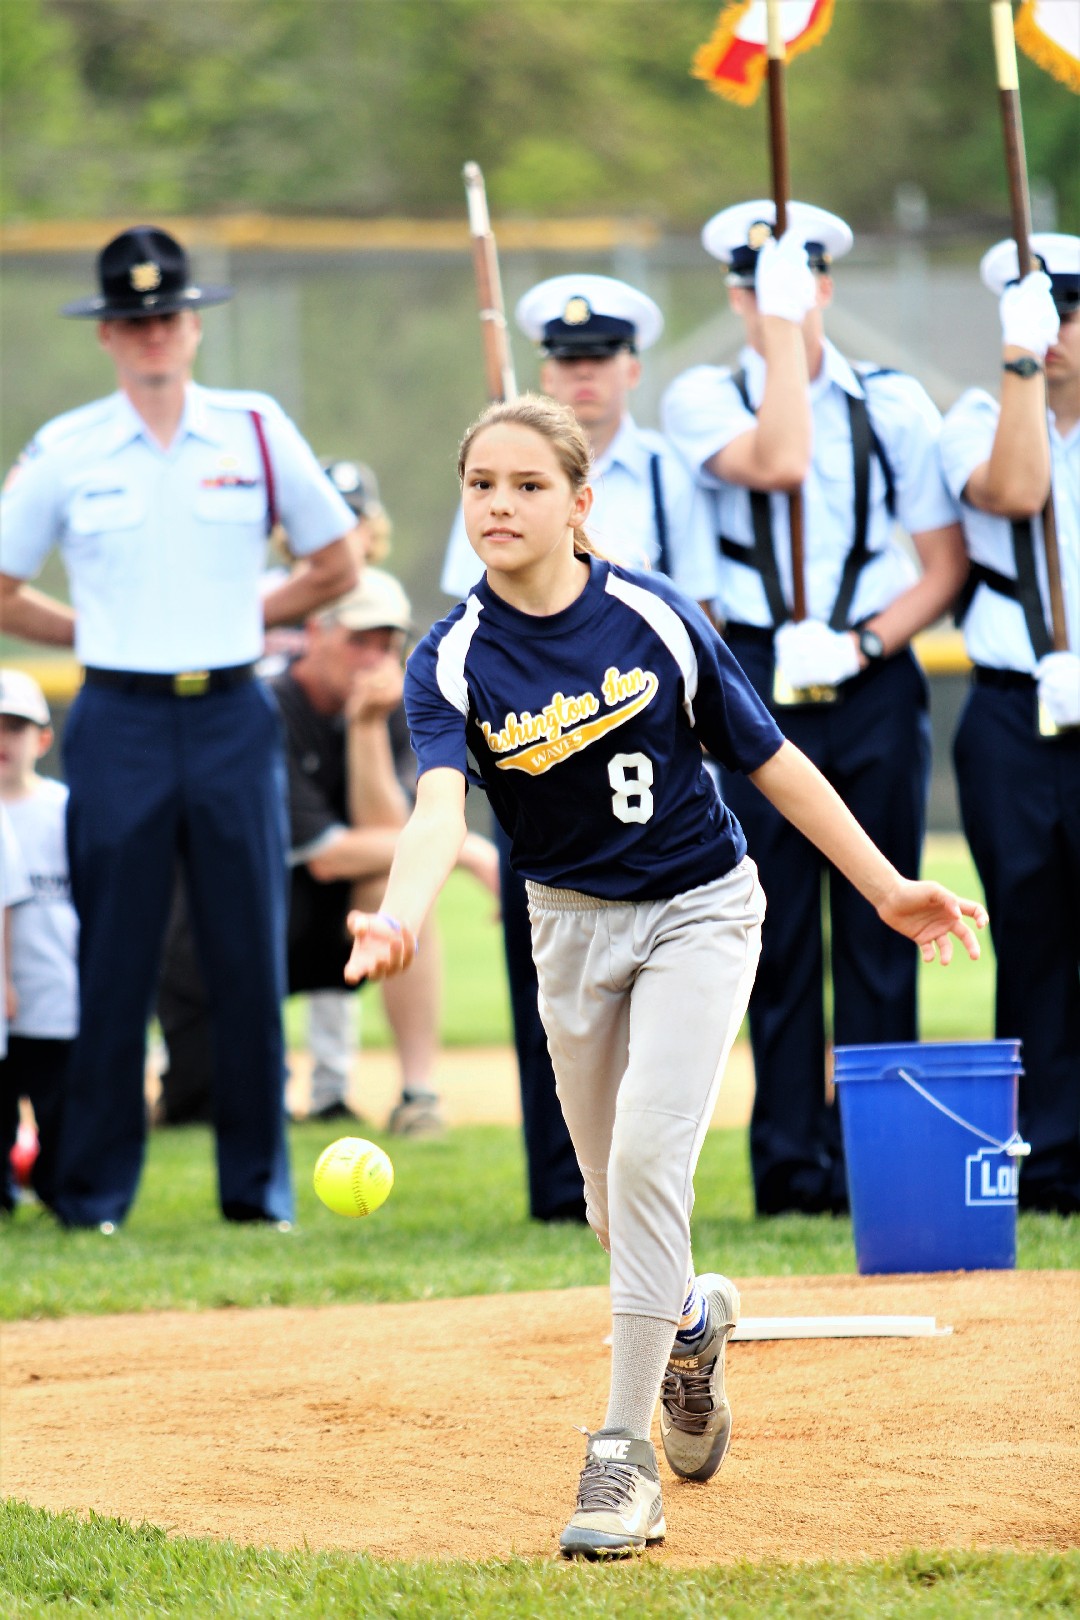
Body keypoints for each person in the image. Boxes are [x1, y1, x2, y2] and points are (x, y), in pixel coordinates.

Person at [343, 394, 986, 1558]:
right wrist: (399, 912)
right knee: (610, 1206)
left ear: (581, 505)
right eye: (481, 482)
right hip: (568, 929)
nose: (499, 502)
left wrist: (888, 886)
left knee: (647, 1157)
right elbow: (442, 802)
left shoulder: (654, 615)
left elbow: (772, 761)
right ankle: (692, 1322)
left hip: (700, 910)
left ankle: (619, 1461)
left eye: (528, 484)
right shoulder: (455, 655)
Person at [0, 225, 358, 1230]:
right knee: (113, 954)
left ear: (193, 326)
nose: (153, 333)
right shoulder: (69, 448)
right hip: (117, 715)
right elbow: (3, 583)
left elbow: (334, 562)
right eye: (133, 320)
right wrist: (93, 630)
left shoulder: (253, 429)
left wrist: (253, 615)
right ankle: (94, 1194)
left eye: (168, 316)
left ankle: (258, 1194)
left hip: (232, 713)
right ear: (107, 335)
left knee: (250, 948)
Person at [662, 201, 969, 1216]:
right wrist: (786, 348)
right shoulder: (703, 399)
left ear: (826, 286)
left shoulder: (892, 404)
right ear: (737, 299)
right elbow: (777, 462)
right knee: (775, 934)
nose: (769, 306)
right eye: (753, 291)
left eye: (789, 287)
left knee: (882, 929)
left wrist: (867, 640)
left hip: (871, 674)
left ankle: (881, 1168)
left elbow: (942, 564)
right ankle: (793, 1176)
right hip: (753, 676)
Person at [442, 274, 719, 1223]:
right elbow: (469, 622)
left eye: (597, 358)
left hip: (651, 754)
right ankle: (571, 1189)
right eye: (565, 359)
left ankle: (644, 1199)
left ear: (629, 367)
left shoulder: (666, 478)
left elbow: (700, 610)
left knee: (673, 1021)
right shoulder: (497, 487)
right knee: (558, 1009)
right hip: (541, 771)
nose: (581, 373)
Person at [156, 569, 499, 1134]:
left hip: (322, 926)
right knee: (201, 1114)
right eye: (359, 640)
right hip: (222, 937)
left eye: (388, 644)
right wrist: (467, 853)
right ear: (316, 632)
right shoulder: (265, 707)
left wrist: (365, 730)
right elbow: (328, 856)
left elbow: (396, 840)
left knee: (405, 899)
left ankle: (418, 1096)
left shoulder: (395, 709)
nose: (375, 658)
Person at [941, 233, 1080, 1214]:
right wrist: (1023, 365)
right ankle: (1049, 1161)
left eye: (1071, 315)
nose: (1062, 333)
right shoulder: (976, 418)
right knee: (1031, 934)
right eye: (1044, 315)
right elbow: (1016, 490)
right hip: (1009, 708)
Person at [0, 670, 78, 1213]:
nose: (3, 739)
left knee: (61, 1110)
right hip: (3, 1000)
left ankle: (59, 1191)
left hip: (55, 989)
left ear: (42, 739)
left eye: (15, 727)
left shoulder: (66, 810)